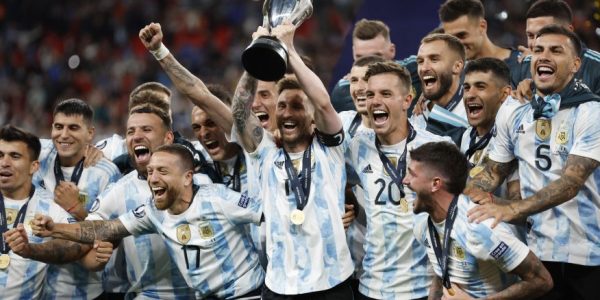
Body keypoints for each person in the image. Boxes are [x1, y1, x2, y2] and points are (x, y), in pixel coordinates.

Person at [466, 25, 600, 300]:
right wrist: (463, 191)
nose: (544, 56)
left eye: (555, 50)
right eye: (538, 50)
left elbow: (571, 182)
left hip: (588, 254)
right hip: (536, 253)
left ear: (576, 64)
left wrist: (512, 208)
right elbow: (492, 172)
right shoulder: (513, 112)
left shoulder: (592, 112)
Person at [32, 144, 265, 299]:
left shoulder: (219, 198)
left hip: (248, 294)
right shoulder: (154, 211)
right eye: (151, 171)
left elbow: (268, 216)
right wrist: (57, 228)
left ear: (187, 177)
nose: (153, 178)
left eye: (162, 171)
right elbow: (105, 228)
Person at [232, 23, 354, 298]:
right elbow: (239, 112)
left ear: (312, 118)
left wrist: (289, 49)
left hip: (331, 284)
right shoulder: (266, 153)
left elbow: (323, 103)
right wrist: (257, 56)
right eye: (282, 106)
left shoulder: (330, 148)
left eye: (297, 106)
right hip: (280, 287)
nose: (287, 113)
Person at [347, 61, 453, 299]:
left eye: (386, 93)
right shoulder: (357, 146)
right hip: (371, 287)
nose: (375, 100)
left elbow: (456, 220)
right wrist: (346, 204)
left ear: (407, 101)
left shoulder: (438, 149)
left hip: (422, 289)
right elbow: (333, 177)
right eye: (370, 94)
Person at [406, 142, 553, 299]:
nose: (405, 180)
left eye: (412, 175)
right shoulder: (422, 225)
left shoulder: (480, 228)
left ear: (435, 184)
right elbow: (442, 272)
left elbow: (542, 281)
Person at [0, 125, 110, 299]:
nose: (4, 162)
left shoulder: (50, 209)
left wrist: (30, 249)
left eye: (15, 156)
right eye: (0, 155)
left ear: (33, 166)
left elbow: (82, 244)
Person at [32, 98, 121, 299]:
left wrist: (76, 207)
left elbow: (113, 237)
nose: (63, 135)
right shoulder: (39, 153)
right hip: (37, 287)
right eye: (58, 127)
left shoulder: (106, 173)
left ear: (90, 133)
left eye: (73, 128)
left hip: (84, 290)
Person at [513, 0, 600, 100]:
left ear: (568, 32)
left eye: (544, 33)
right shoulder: (522, 68)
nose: (536, 43)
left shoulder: (596, 68)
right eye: (530, 35)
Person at [330, 19, 421, 113]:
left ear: (392, 51)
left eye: (376, 57)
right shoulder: (343, 92)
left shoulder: (416, 69)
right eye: (361, 57)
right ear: (353, 53)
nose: (369, 66)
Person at [439, 0, 522, 87]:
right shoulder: (454, 77)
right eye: (451, 38)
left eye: (462, 35)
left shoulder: (521, 65)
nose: (457, 44)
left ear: (482, 27)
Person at [412, 33, 468, 144]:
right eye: (420, 61)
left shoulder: (472, 112)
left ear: (457, 67)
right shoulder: (418, 113)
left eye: (434, 59)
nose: (424, 68)